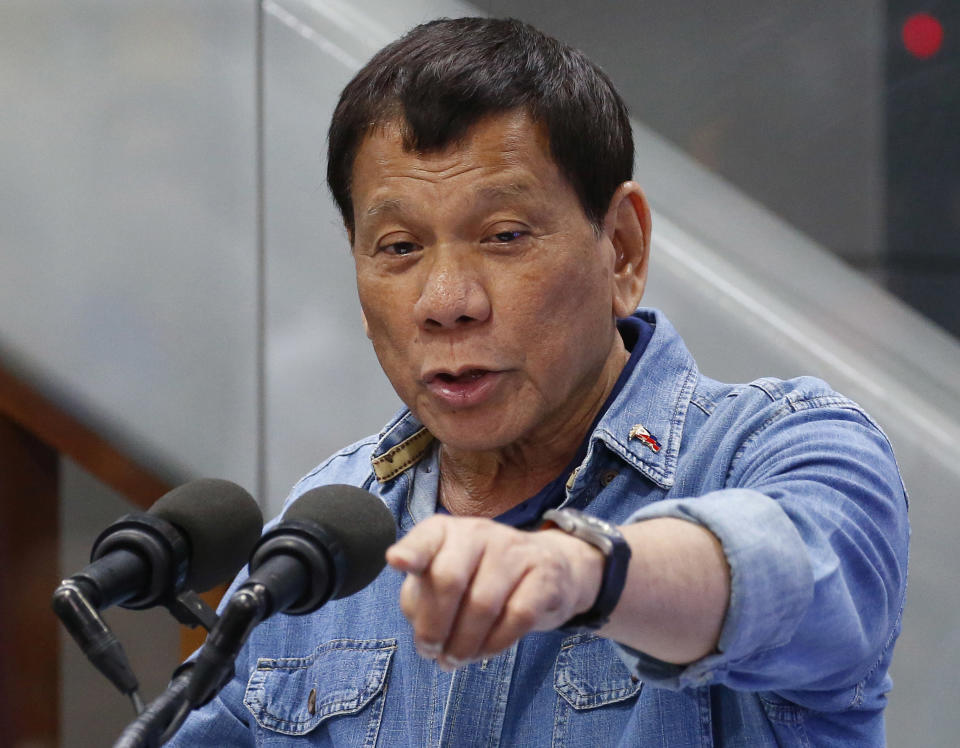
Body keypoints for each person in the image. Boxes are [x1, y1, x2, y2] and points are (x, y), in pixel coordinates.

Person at [170, 17, 909, 746]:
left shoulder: (782, 446)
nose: (446, 301)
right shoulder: (328, 531)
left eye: (504, 236)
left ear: (621, 249)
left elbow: (787, 570)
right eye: (399, 247)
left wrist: (580, 568)